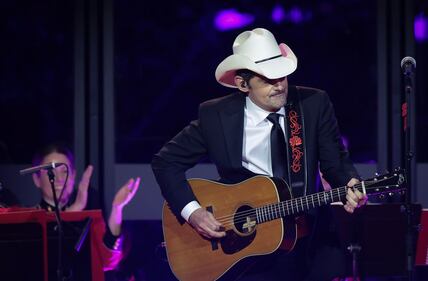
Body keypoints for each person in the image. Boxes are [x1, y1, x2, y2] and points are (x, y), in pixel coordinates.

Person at [152, 28, 368, 281]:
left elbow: (335, 163)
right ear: (243, 84)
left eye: (283, 76)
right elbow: (165, 162)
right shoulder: (216, 116)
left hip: (306, 236)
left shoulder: (312, 104)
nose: (279, 85)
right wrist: (194, 212)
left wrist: (349, 183)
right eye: (268, 79)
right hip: (244, 246)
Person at [31, 143, 140, 271]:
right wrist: (72, 212)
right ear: (36, 179)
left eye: (65, 171)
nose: (60, 179)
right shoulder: (29, 220)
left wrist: (117, 209)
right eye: (51, 173)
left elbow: (107, 261)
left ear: (73, 176)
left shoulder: (86, 215)